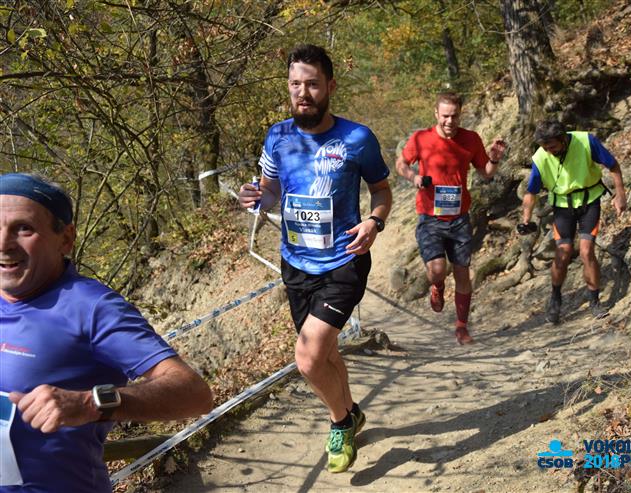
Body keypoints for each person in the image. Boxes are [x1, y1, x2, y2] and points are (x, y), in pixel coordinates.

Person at [0, 173, 213, 492]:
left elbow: (194, 393)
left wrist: (90, 403)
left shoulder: (92, 307)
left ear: (66, 238)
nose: (4, 243)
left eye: (24, 228)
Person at [237, 44, 392, 473]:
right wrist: (256, 198)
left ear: (330, 86)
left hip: (344, 261)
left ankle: (340, 422)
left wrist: (374, 223)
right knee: (326, 354)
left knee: (307, 358)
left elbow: (381, 191)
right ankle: (352, 411)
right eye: (295, 85)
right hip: (296, 263)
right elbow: (270, 190)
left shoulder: (357, 138)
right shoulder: (278, 136)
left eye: (312, 84)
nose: (302, 93)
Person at [395, 92, 505, 345]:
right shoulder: (421, 138)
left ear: (460, 114)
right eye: (445, 116)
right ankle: (438, 286)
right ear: (436, 113)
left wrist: (494, 159)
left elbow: (486, 173)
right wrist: (414, 177)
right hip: (430, 217)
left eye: (454, 116)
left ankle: (461, 327)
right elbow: (401, 164)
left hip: (459, 218)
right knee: (437, 270)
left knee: (462, 273)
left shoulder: (471, 139)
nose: (449, 121)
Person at [518, 120, 627, 324]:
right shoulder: (541, 157)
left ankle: (594, 301)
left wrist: (620, 195)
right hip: (562, 206)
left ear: (563, 139)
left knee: (586, 251)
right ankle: (555, 297)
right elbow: (531, 192)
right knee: (563, 252)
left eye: (552, 146)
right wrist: (526, 219)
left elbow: (613, 165)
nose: (549, 151)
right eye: (545, 147)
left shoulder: (586, 141)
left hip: (589, 201)